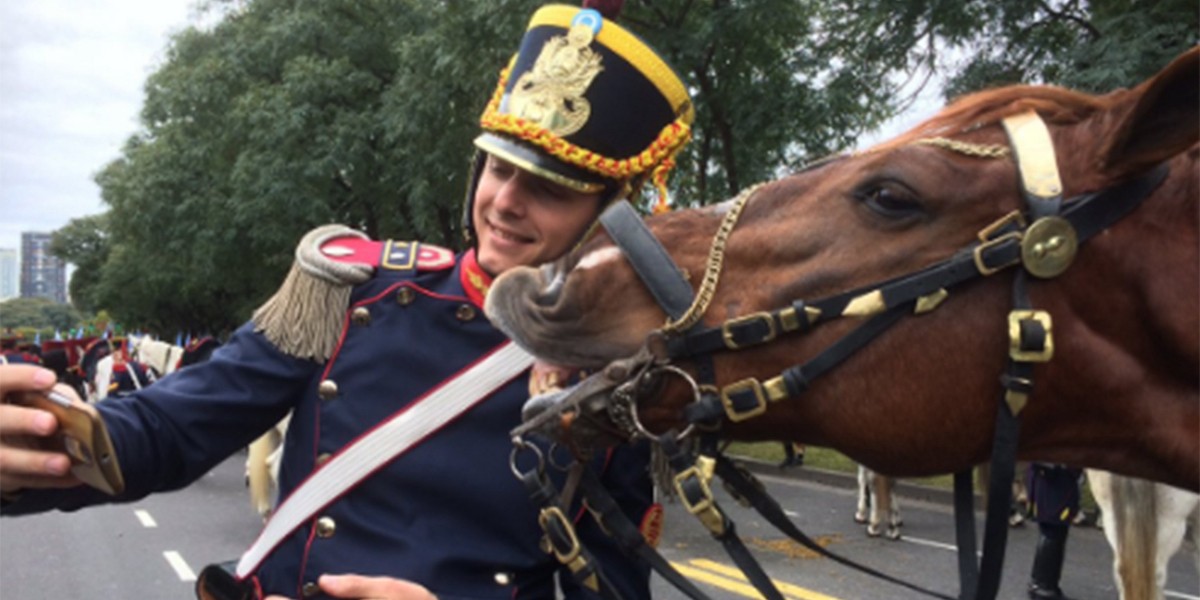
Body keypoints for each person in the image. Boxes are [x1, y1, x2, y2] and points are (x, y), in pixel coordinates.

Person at [0, 3, 694, 599]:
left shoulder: (620, 385)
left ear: (609, 217)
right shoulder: (354, 289)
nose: (505, 203)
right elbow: (175, 425)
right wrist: (38, 435)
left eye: (547, 188)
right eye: (498, 168)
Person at [1025, 462, 1084, 600]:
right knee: (1052, 532)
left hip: (1055, 475)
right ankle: (1043, 586)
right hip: (1053, 476)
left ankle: (1043, 583)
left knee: (1054, 532)